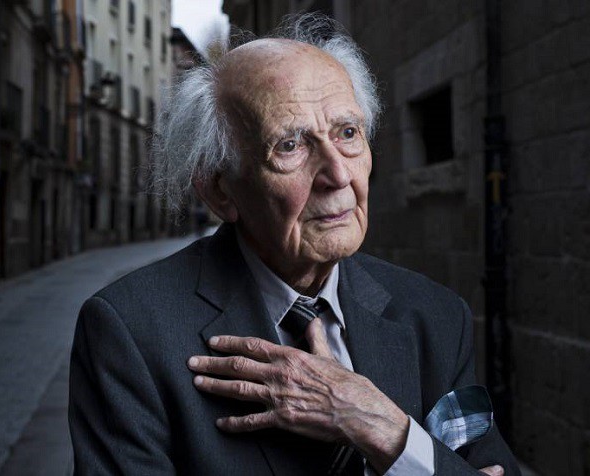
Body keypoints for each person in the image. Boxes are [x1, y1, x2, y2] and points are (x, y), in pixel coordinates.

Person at [68, 13, 519, 476]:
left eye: (347, 133)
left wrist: (384, 428)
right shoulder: (131, 332)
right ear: (220, 191)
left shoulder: (437, 316)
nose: (338, 175)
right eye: (289, 146)